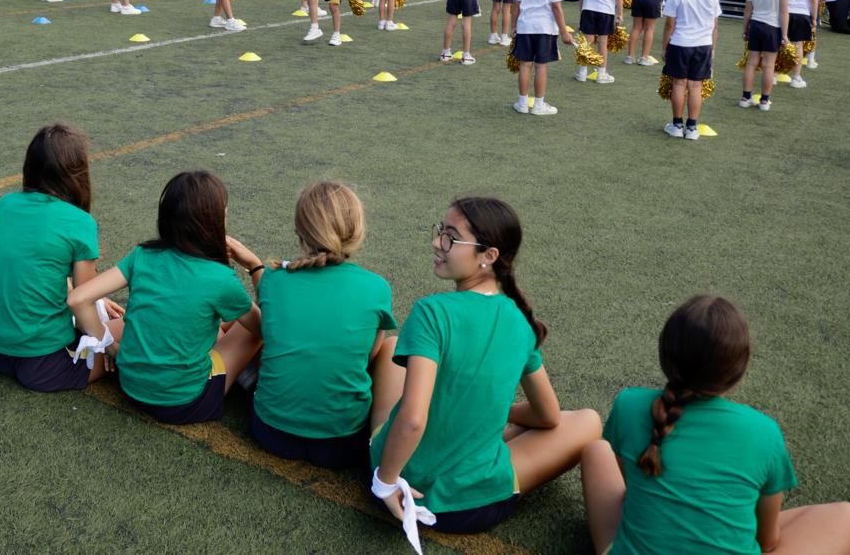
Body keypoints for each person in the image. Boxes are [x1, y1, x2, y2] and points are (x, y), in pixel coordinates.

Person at [371, 197, 600, 537]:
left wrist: (385, 482)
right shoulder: (520, 324)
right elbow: (548, 416)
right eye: (440, 231)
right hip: (471, 506)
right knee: (588, 421)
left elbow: (414, 419)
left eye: (450, 237)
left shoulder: (431, 312)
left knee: (392, 350)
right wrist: (491, 410)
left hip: (399, 485)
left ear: (489, 256)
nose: (437, 242)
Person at [581, 295, 850, 555]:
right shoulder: (763, 432)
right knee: (849, 517)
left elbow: (631, 491)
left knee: (596, 450)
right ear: (738, 370)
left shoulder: (629, 405)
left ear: (664, 354)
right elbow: (767, 542)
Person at [67, 170, 262, 424]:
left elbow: (77, 299)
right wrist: (255, 266)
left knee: (213, 317)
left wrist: (111, 347)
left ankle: (231, 362)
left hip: (131, 386)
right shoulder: (220, 278)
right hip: (185, 402)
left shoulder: (143, 255)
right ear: (214, 219)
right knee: (253, 324)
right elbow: (266, 328)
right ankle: (244, 375)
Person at [252, 182, 401, 468]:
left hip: (271, 432)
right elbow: (370, 355)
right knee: (392, 346)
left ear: (300, 231)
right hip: (343, 442)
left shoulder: (273, 278)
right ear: (357, 230)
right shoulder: (376, 287)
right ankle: (380, 438)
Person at [0, 124, 125, 390]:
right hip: (46, 362)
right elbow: (83, 305)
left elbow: (38, 269)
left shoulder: (4, 204)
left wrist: (96, 297)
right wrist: (109, 345)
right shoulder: (79, 221)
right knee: (139, 326)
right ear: (77, 174)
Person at [510, 0, 573, 115]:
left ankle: (522, 103)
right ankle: (538, 104)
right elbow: (556, 7)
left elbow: (516, 4)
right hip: (545, 29)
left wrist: (514, 26)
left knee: (525, 65)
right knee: (541, 66)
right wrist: (564, 31)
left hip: (525, 26)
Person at [662, 0, 719, 140]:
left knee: (679, 84)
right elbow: (715, 26)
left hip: (680, 44)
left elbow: (670, 25)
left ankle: (677, 125)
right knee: (696, 86)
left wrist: (665, 47)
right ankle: (692, 128)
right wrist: (712, 49)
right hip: (703, 45)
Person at [740, 0, 792, 111]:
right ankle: (764, 100)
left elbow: (748, 10)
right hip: (772, 28)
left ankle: (745, 97)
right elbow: (784, 13)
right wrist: (785, 35)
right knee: (769, 66)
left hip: (755, 26)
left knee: (751, 63)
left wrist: (745, 29)